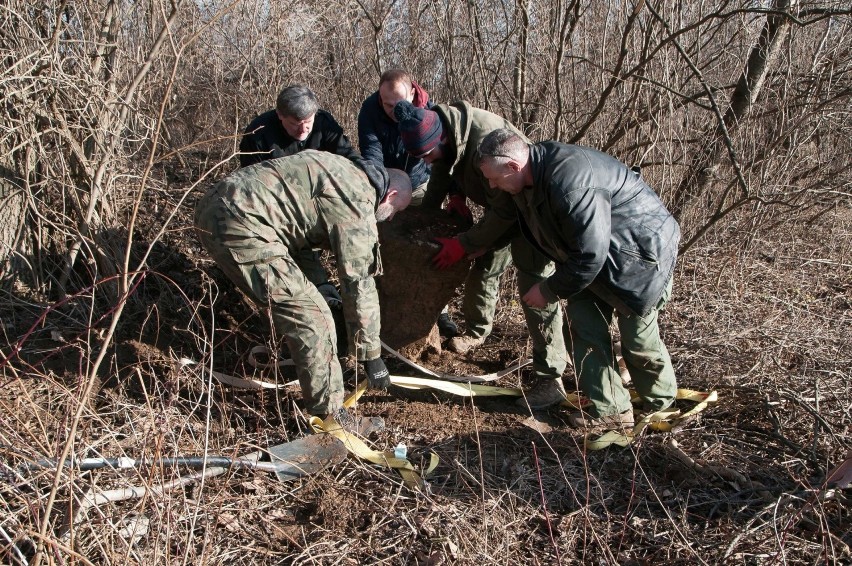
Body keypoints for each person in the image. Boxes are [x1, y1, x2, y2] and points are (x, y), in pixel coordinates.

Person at [477, 128, 681, 430]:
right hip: (588, 261)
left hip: (639, 258)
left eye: (495, 178)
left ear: (513, 166)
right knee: (585, 329)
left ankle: (662, 407)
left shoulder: (569, 183)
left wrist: (548, 289)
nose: (492, 185)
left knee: (638, 341)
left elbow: (591, 255)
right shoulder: (527, 179)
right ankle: (611, 409)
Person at [194, 150, 412, 420]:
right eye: (396, 211)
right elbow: (359, 283)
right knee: (313, 319)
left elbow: (296, 234)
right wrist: (371, 356)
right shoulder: (358, 200)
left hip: (215, 206)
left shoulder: (339, 167)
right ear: (390, 196)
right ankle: (331, 419)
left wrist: (321, 283)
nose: (391, 218)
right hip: (242, 224)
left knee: (312, 305)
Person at [394, 100, 568, 410]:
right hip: (504, 208)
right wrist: (444, 206)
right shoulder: (448, 133)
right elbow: (442, 170)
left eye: (428, 153)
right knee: (484, 268)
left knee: (534, 284)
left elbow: (505, 210)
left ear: (442, 139)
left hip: (530, 213)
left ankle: (550, 376)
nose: (427, 160)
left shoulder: (485, 137)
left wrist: (466, 243)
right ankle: (476, 331)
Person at [357, 70, 458, 337]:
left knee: (429, 245)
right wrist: (383, 187)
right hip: (386, 183)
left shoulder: (429, 107)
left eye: (397, 102)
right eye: (385, 103)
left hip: (421, 181)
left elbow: (441, 154)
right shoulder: (370, 110)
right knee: (382, 241)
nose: (391, 109)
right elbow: (371, 153)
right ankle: (382, 301)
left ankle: (440, 312)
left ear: (412, 93)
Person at [238, 84, 359, 167]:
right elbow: (252, 178)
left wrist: (369, 172)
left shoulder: (324, 122)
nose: (303, 130)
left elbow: (347, 154)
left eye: (308, 122)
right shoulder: (257, 133)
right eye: (295, 124)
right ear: (280, 115)